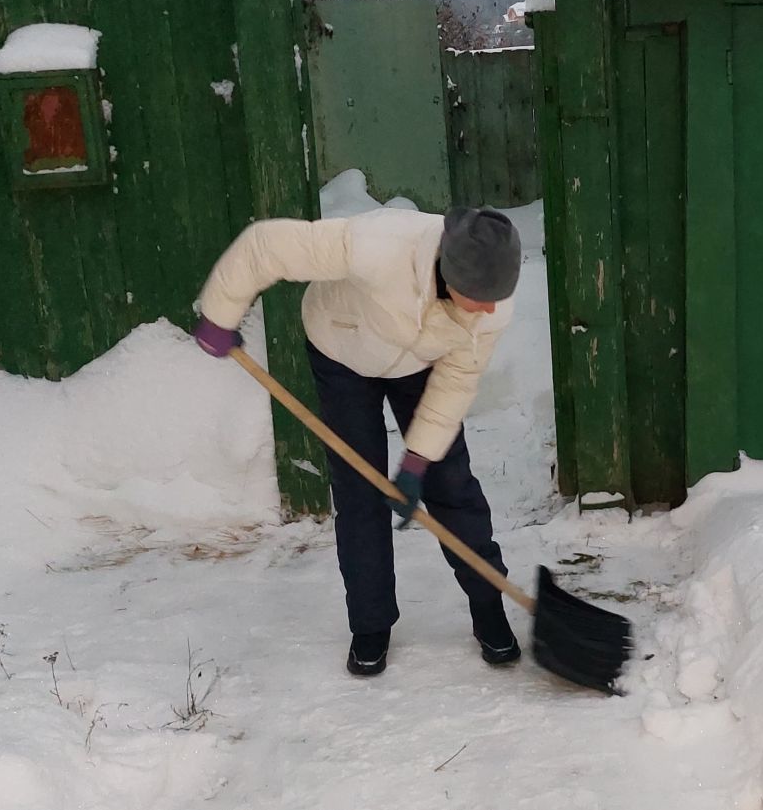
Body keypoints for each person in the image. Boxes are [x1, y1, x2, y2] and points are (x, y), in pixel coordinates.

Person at [190, 207, 523, 677]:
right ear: (451, 276)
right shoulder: (377, 244)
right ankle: (370, 624)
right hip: (342, 352)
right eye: (482, 298)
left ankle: (489, 604)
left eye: (497, 298)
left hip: (420, 367)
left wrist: (418, 460)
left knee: (451, 483)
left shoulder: (490, 307)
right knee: (359, 493)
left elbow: (457, 380)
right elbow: (266, 247)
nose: (491, 309)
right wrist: (220, 311)